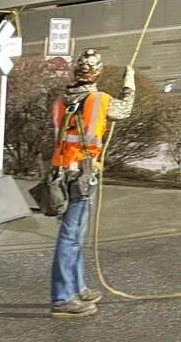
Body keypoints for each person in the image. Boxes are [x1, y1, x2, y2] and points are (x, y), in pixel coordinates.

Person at [49, 49, 136, 318]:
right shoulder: (99, 100)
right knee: (71, 237)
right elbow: (125, 109)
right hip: (83, 174)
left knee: (76, 236)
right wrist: (129, 81)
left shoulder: (60, 101)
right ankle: (63, 298)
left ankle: (77, 287)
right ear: (96, 73)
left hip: (61, 173)